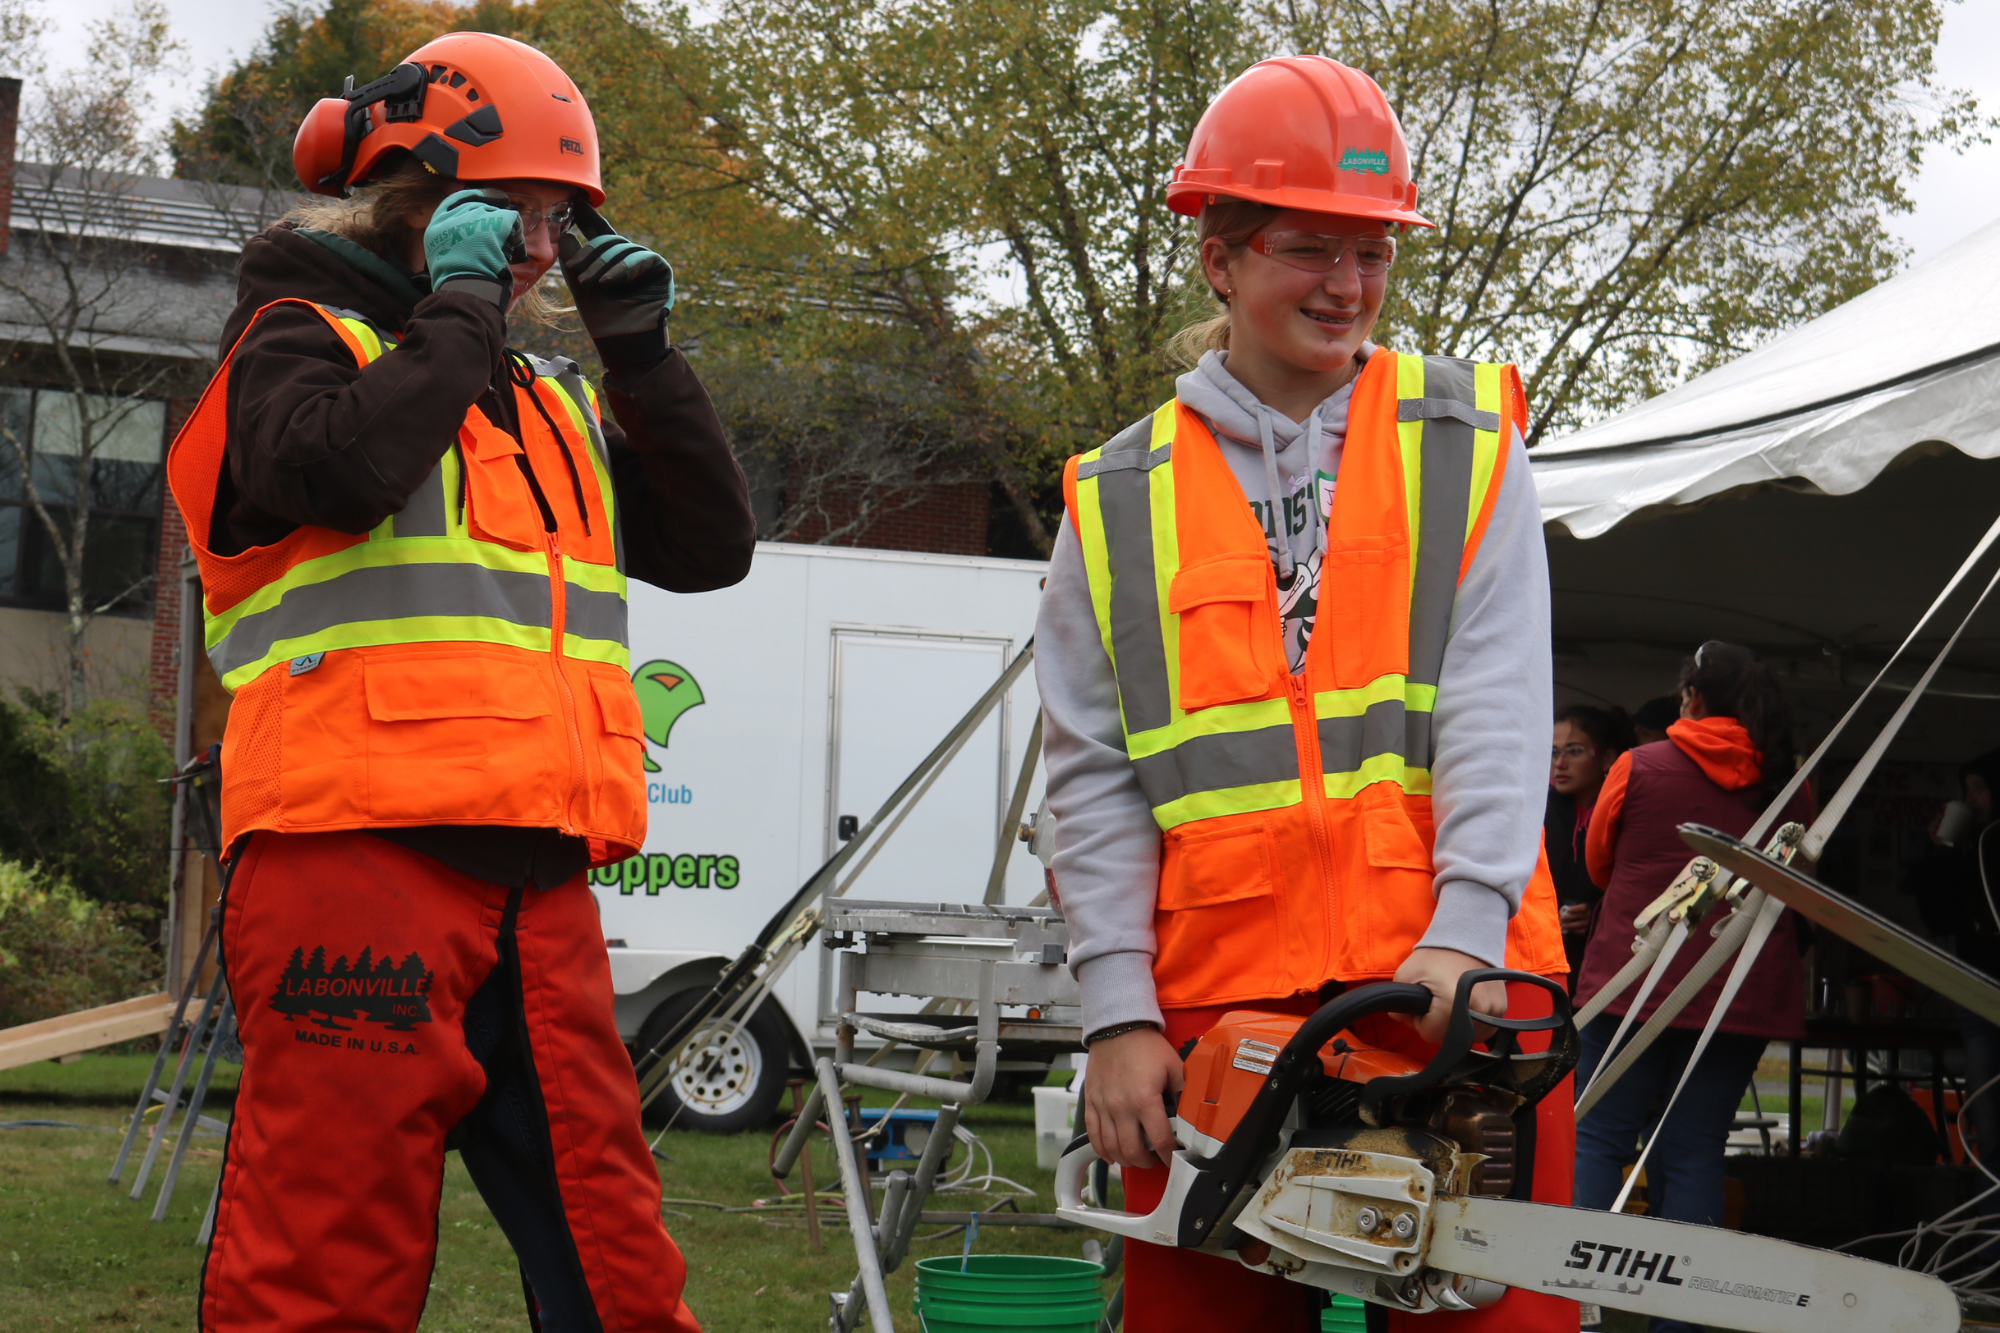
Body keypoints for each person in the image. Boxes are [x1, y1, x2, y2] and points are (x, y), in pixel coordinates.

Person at [165, 33, 752, 1332]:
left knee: (623, 1279)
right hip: (349, 870)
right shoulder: (290, 341)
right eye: (509, 214)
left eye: (562, 222)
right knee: (322, 1277)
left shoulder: (540, 396)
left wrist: (643, 355)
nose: (540, 249)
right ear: (409, 200)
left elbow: (712, 550)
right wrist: (461, 308)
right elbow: (341, 473)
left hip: (538, 892)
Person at [1037, 55, 1569, 1333]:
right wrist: (1116, 1012)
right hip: (1217, 1014)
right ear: (1219, 258)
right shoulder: (1116, 498)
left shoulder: (1464, 441)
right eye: (1306, 247)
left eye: (1371, 251)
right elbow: (1092, 777)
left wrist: (1465, 931)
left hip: (1458, 994)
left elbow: (1498, 703)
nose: (1345, 285)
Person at [1570, 641, 1808, 1333]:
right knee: (1694, 1147)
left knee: (1600, 1138)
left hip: (1634, 976)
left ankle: (1572, 1302)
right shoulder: (1794, 782)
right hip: (1739, 986)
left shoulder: (1638, 766)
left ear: (1693, 699)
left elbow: (1596, 860)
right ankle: (1679, 1321)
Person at [1905, 748, 2000, 1164]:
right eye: (1966, 790)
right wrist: (1942, 851)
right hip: (1977, 993)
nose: (1971, 799)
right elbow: (1939, 918)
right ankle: (1989, 1223)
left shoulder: (1990, 847)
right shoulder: (1967, 851)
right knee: (1987, 1123)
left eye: (1979, 789)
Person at [1547, 705, 1632, 979]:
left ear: (1608, 758)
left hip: (1605, 964)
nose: (1560, 763)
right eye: (1554, 752)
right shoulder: (1539, 809)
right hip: (1545, 955)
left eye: (1574, 751)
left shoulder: (1627, 813)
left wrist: (1596, 913)